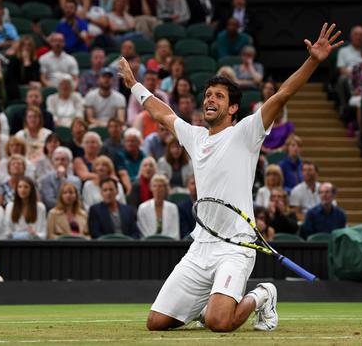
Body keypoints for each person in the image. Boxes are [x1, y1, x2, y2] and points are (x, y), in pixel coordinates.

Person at [118, 20, 343, 332]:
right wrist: (134, 85)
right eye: (208, 95)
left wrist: (313, 61)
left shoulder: (246, 132)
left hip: (236, 245)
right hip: (201, 245)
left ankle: (263, 295)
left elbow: (282, 95)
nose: (210, 99)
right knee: (156, 323)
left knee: (220, 322)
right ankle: (203, 304)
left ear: (234, 107)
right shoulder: (194, 136)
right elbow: (161, 112)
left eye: (219, 96)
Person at [38, 146, 82, 211]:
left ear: (69, 162)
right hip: (54, 212)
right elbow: (49, 201)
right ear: (53, 162)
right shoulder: (45, 179)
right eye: (57, 159)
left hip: (72, 212)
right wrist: (66, 207)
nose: (60, 162)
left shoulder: (76, 180)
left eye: (63, 159)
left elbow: (77, 199)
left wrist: (63, 178)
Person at [136, 174, 180, 239]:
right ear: (151, 188)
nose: (157, 189)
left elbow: (175, 232)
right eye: (154, 186)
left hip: (169, 244)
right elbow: (143, 231)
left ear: (165, 189)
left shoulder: (173, 207)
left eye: (160, 186)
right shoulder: (143, 207)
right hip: (148, 245)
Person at [5, 37, 41, 102]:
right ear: (20, 47)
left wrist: (37, 83)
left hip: (31, 89)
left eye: (29, 45)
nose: (26, 47)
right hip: (16, 90)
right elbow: (12, 79)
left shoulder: (35, 63)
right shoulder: (13, 60)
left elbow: (36, 79)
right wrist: (25, 62)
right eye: (24, 45)